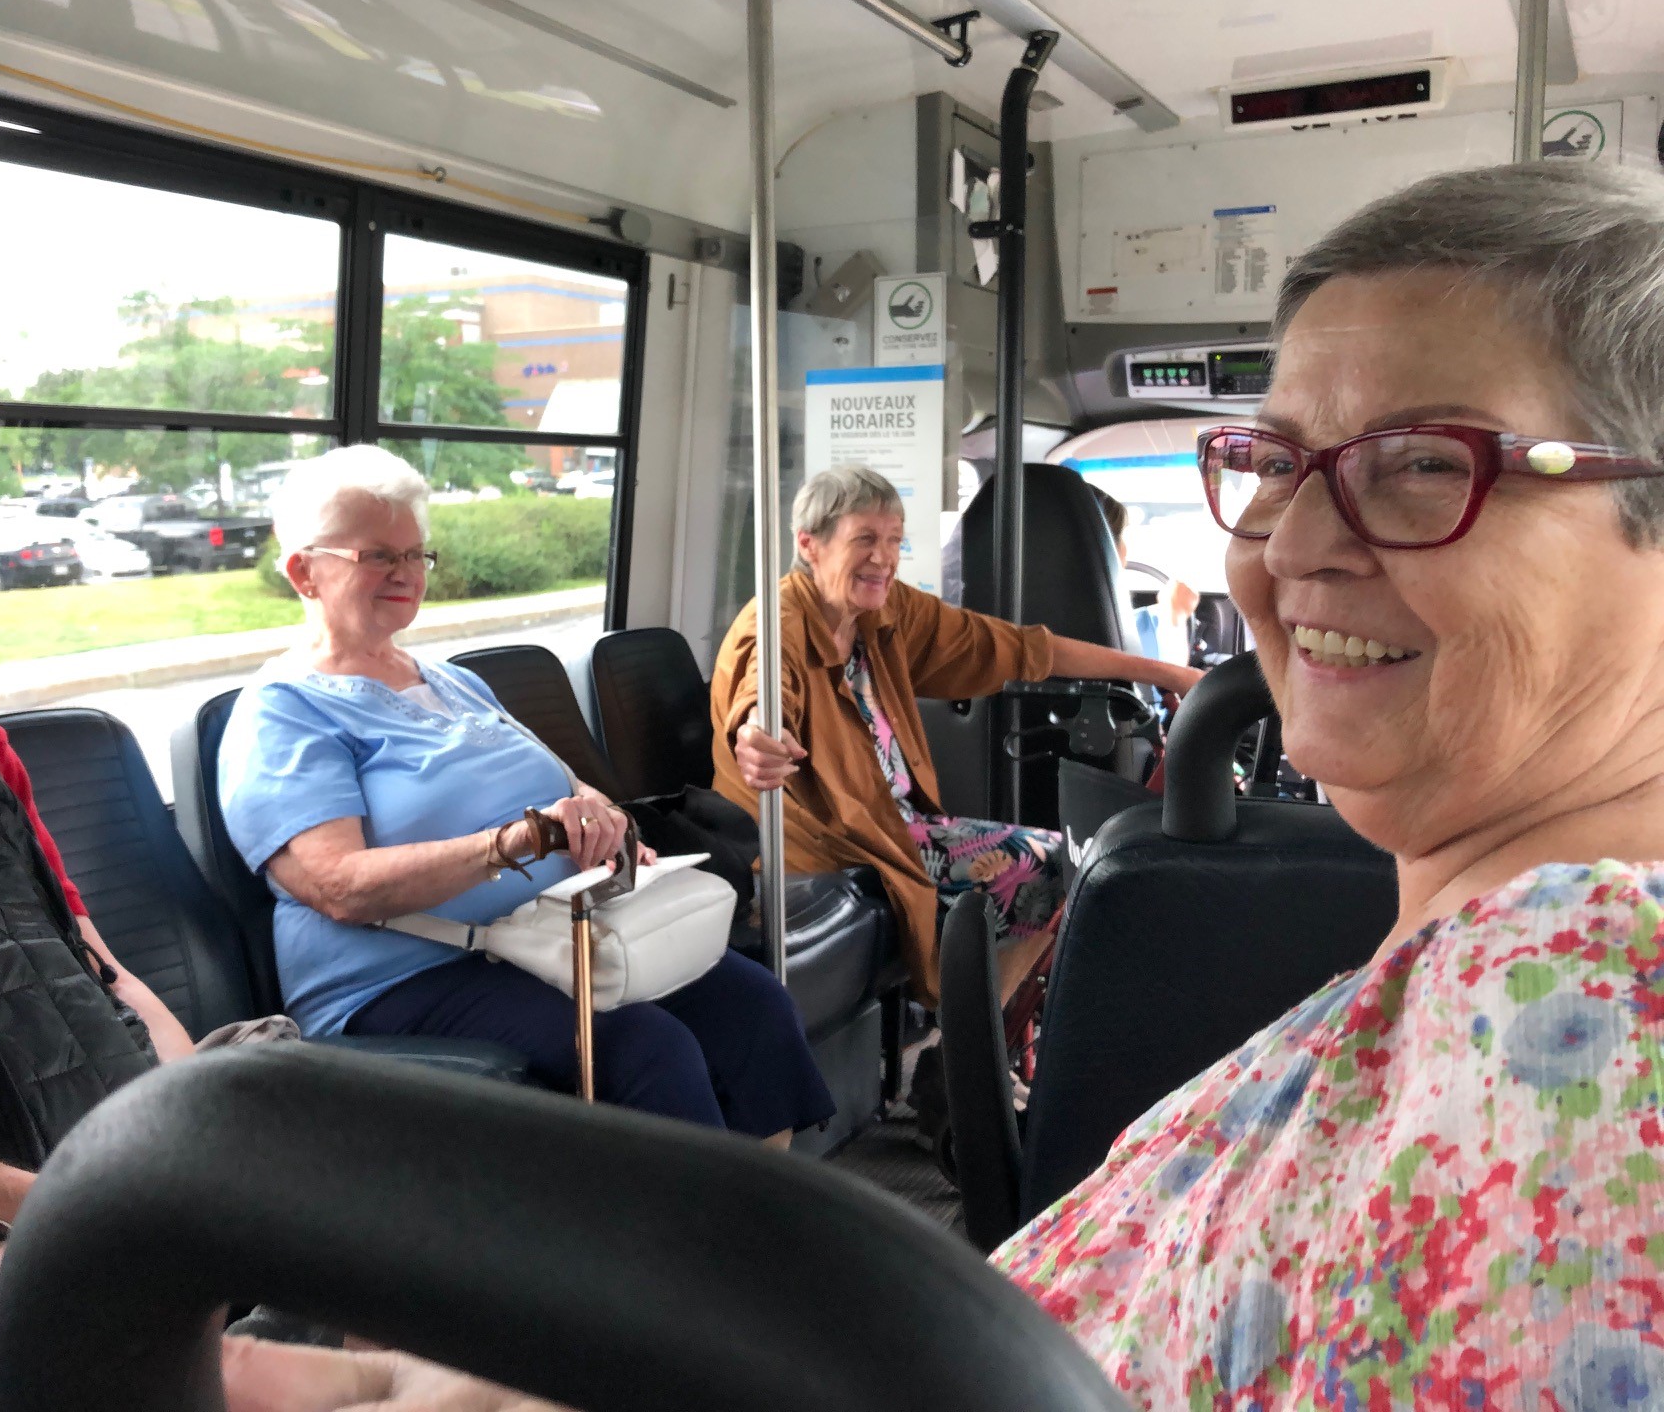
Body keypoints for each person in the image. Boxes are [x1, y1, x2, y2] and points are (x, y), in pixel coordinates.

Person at [0, 377, 565, 1412]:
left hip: (17, 1114)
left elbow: (98, 980)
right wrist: (78, 1206)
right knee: (79, 1306)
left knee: (380, 1154)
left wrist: (164, 1133)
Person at [991, 161, 1664, 1407]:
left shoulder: (1583, 1030)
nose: (1290, 545)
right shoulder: (1472, 969)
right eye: (1274, 459)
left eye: (1422, 464)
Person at [218, 446, 832, 1140]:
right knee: (643, 1047)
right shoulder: (284, 711)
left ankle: (770, 1229)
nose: (407, 574)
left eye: (417, 555)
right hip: (401, 979)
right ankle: (686, 1245)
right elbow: (338, 886)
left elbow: (569, 787)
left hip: (535, 941)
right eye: (379, 556)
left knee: (751, 1005)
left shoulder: (453, 682)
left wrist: (601, 820)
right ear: (305, 571)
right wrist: (514, 842)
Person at [711, 463, 1201, 1006]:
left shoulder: (883, 614)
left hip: (897, 826)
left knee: (1082, 862)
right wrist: (760, 736)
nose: (884, 557)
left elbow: (1023, 647)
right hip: (831, 844)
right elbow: (760, 695)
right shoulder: (777, 623)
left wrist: (1172, 675)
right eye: (865, 539)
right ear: (810, 544)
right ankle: (967, 1055)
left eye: (894, 540)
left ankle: (980, 1036)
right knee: (1067, 868)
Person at [1090, 487, 1200, 670]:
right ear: (1106, 548)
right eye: (1121, 537)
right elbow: (1167, 684)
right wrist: (1174, 620)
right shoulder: (1109, 631)